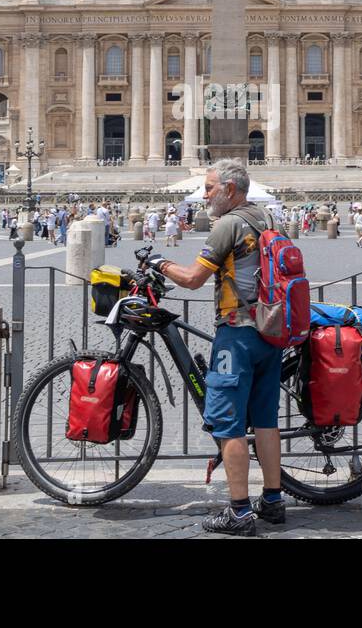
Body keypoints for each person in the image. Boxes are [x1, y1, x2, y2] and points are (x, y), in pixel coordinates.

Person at [145, 159, 281, 537]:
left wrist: (160, 262)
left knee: (227, 422)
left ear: (230, 190)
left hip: (237, 333)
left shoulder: (228, 224)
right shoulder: (270, 218)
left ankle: (238, 512)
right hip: (272, 331)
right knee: (266, 420)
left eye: (210, 188)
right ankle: (273, 500)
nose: (205, 194)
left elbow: (191, 279)